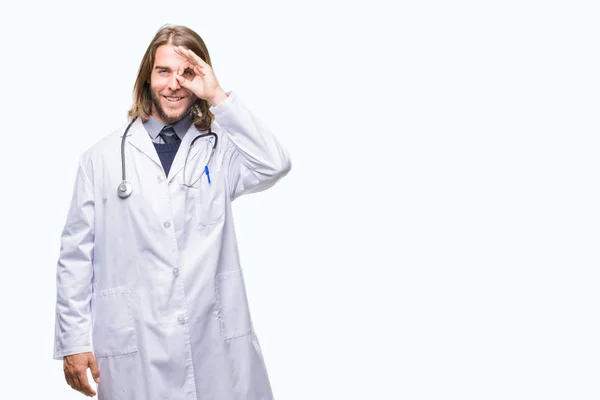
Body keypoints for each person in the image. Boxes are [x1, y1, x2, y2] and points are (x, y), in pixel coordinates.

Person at [53, 24, 291, 400]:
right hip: (136, 342)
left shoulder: (221, 149)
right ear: (148, 77)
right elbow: (76, 257)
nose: (174, 83)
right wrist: (73, 341)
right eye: (164, 71)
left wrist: (217, 96)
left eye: (188, 72)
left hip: (212, 337)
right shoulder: (100, 159)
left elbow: (274, 164)